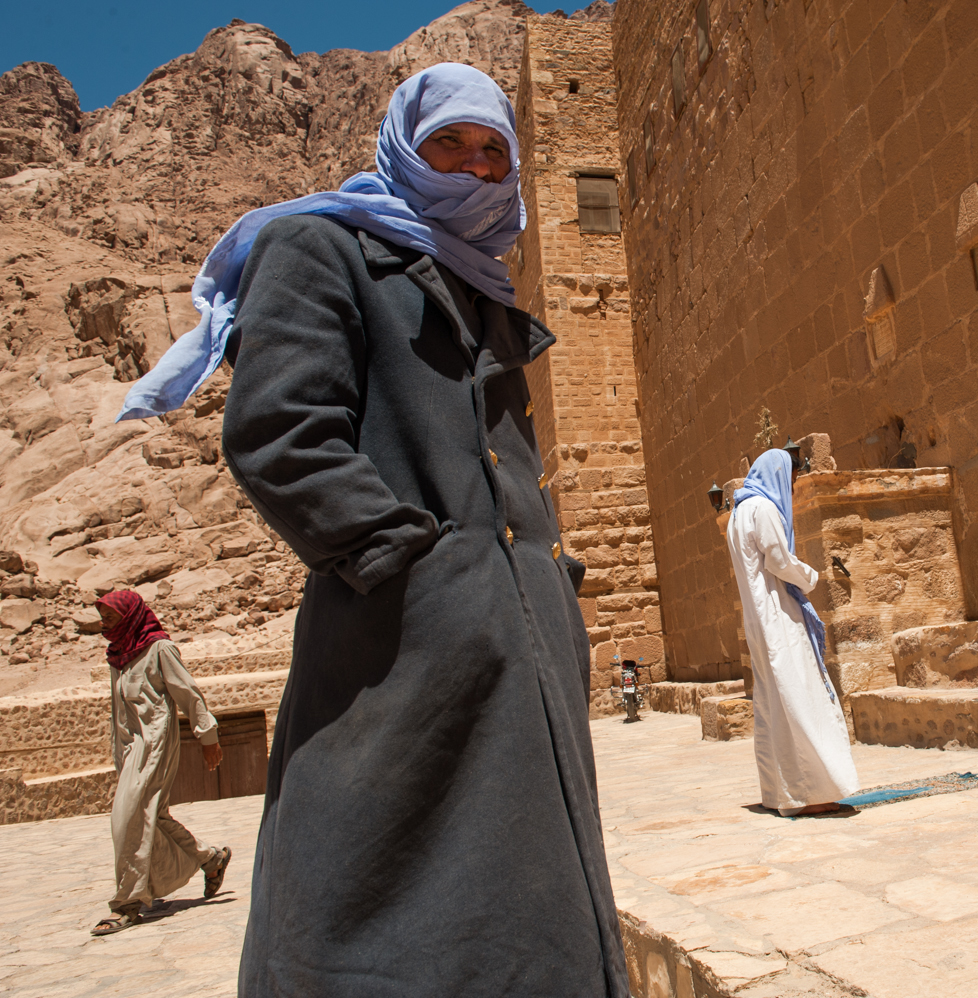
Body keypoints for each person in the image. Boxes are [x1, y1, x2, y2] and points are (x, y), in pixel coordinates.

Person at [115, 64, 626, 995]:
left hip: (520, 659)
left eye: (492, 152)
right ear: (403, 146)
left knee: (535, 920)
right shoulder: (321, 248)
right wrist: (413, 571)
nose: (473, 171)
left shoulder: (488, 292)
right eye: (449, 146)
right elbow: (280, 435)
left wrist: (552, 581)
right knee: (383, 915)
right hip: (398, 657)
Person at [90, 590, 231, 936]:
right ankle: (211, 860)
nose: (103, 624)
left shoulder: (160, 649)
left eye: (110, 617)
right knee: (153, 815)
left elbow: (188, 692)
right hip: (129, 750)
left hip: (154, 746)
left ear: (129, 616)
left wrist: (207, 738)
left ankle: (127, 904)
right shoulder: (119, 654)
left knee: (126, 818)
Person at [728, 449, 859, 815]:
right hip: (778, 616)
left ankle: (780, 793)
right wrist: (810, 577)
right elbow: (778, 560)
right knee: (800, 697)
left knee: (774, 704)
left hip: (759, 621)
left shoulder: (737, 514)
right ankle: (808, 794)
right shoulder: (763, 510)